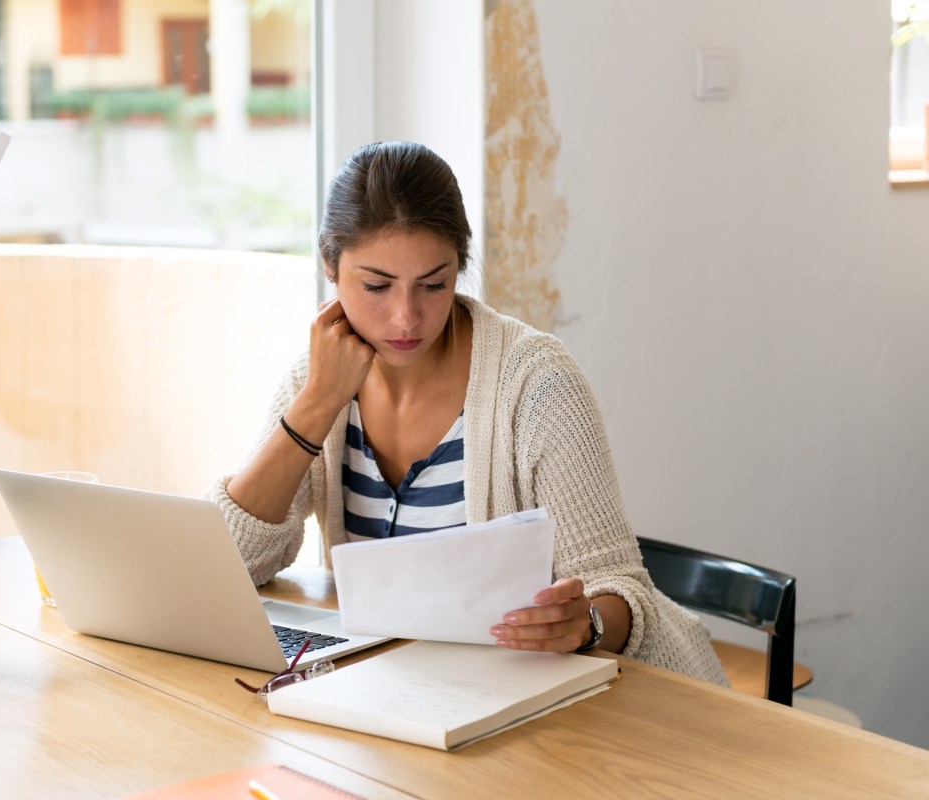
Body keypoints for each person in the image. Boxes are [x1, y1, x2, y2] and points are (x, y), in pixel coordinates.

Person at [210, 141, 727, 683]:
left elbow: (620, 589)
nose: (406, 316)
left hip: (577, 705)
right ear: (329, 267)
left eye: (433, 284)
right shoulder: (315, 377)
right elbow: (228, 568)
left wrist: (586, 624)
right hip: (413, 690)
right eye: (376, 286)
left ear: (460, 265)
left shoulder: (536, 383)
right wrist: (316, 404)